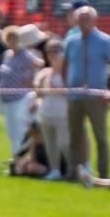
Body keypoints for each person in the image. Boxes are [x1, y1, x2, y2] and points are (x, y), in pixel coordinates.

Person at [62, 5, 110, 180]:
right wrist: (67, 89)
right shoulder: (71, 41)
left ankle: (103, 172)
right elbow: (65, 66)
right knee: (75, 136)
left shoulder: (104, 40)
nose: (83, 21)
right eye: (80, 18)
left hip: (96, 96)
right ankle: (74, 170)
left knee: (100, 136)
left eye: (87, 18)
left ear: (94, 20)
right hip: (75, 96)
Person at [0, 24, 44, 156]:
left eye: (15, 39)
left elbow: (40, 64)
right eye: (10, 39)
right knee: (11, 131)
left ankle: (21, 158)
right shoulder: (7, 55)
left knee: (19, 130)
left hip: (20, 97)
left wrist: (32, 78)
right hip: (7, 99)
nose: (12, 42)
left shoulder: (25, 54)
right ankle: (15, 157)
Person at [34, 37, 71, 179]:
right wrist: (40, 87)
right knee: (50, 144)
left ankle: (72, 168)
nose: (53, 54)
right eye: (50, 51)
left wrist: (58, 90)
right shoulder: (44, 73)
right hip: (46, 112)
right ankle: (54, 170)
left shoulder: (67, 72)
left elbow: (71, 92)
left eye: (56, 50)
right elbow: (38, 93)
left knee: (65, 143)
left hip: (62, 113)